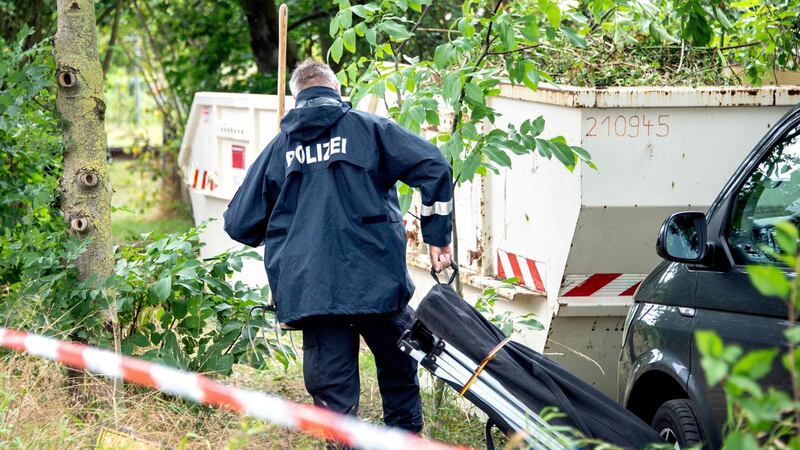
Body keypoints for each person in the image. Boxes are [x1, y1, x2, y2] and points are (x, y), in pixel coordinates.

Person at [223, 59, 453, 439]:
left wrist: (288, 226)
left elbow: (238, 224)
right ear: (337, 91)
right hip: (376, 280)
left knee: (332, 389)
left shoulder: (280, 148)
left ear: (297, 98)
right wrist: (437, 236)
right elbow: (434, 166)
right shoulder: (371, 130)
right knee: (398, 365)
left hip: (313, 289)